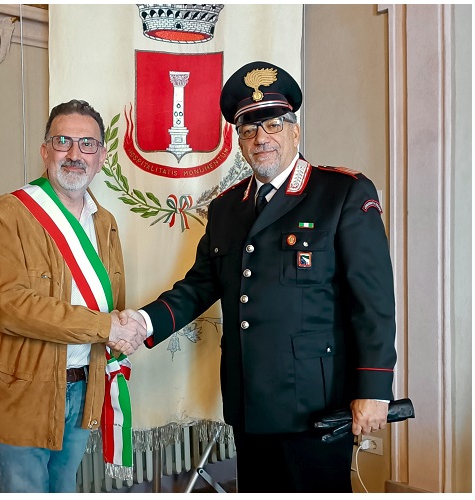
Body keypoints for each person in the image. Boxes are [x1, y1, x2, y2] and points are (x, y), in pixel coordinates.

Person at [118, 62, 397, 492]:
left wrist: (374, 387)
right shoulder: (227, 208)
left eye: (273, 124)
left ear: (295, 131)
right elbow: (201, 285)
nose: (261, 138)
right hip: (249, 401)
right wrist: (143, 321)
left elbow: (372, 301)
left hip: (315, 404)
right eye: (248, 130)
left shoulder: (341, 193)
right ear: (239, 141)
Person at [0, 99, 146, 493]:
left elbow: (111, 301)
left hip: (83, 386)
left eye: (87, 144)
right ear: (45, 151)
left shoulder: (105, 222)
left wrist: (124, 327)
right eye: (63, 141)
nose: (74, 154)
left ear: (101, 158)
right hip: (22, 392)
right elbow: (12, 307)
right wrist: (107, 327)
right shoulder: (6, 214)